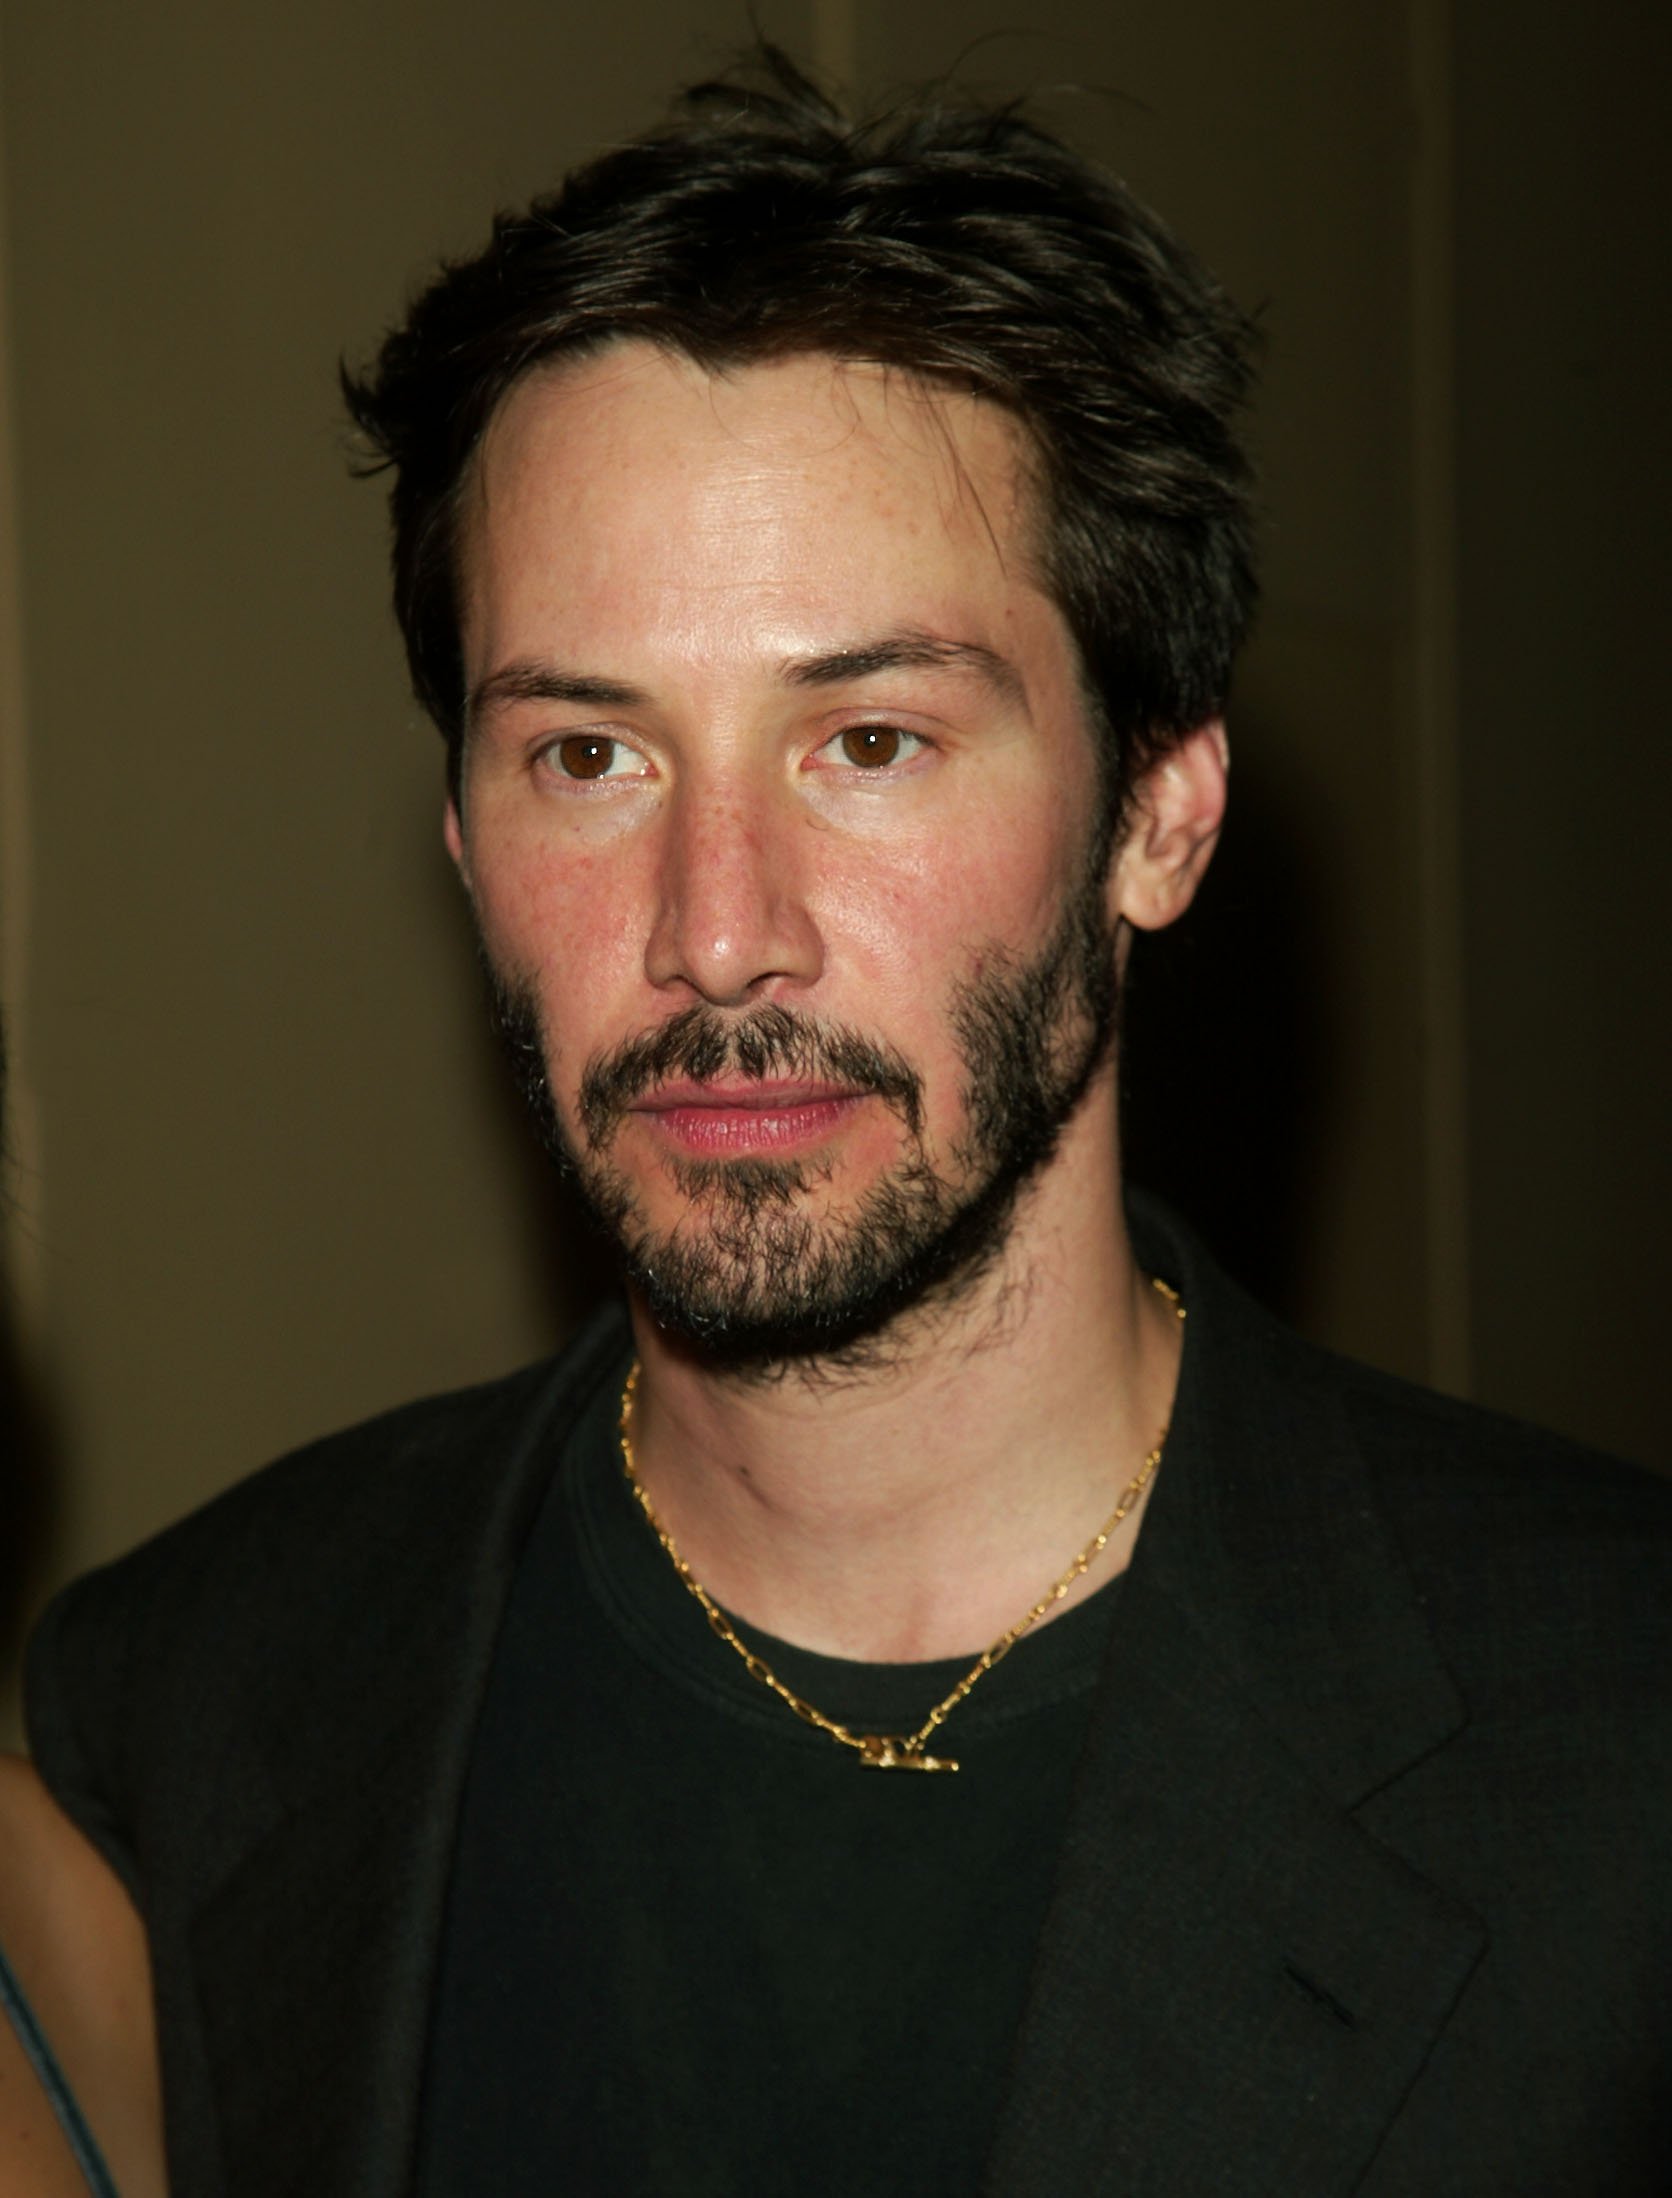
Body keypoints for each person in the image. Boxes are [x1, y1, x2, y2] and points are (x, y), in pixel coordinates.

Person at [22, 46, 1672, 2198]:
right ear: (457, 835)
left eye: (868, 740)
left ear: (1156, 810)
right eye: (587, 758)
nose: (717, 937)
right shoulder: (179, 1720)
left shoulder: (1614, 1759)